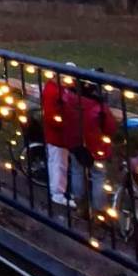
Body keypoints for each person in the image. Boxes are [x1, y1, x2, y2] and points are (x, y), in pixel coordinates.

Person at [69, 73, 117, 211]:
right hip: (96, 148)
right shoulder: (99, 108)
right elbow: (110, 128)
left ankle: (78, 203)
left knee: (77, 171)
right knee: (98, 177)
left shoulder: (71, 100)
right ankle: (99, 209)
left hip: (75, 143)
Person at [42, 65, 81, 208]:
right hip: (58, 136)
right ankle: (57, 194)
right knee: (58, 163)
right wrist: (66, 124)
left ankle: (58, 190)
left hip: (60, 134)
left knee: (57, 162)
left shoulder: (57, 88)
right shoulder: (53, 92)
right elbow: (51, 117)